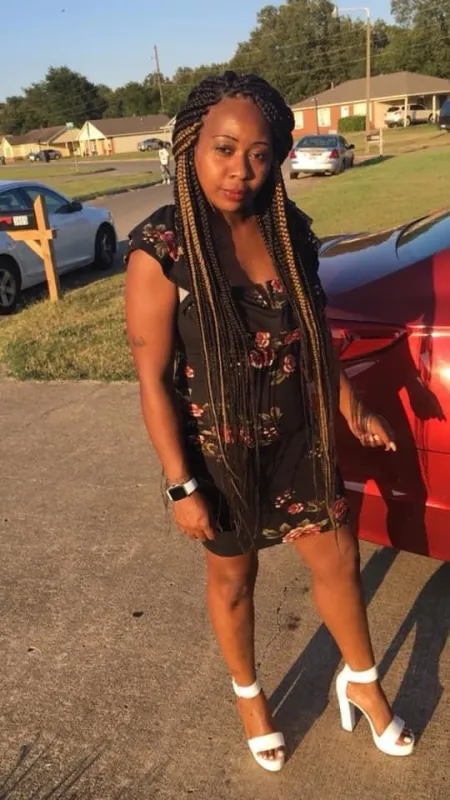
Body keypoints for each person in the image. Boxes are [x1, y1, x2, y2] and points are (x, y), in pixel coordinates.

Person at [125, 71, 414, 773]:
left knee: (339, 561)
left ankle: (363, 683)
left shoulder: (290, 231)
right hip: (216, 454)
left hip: (298, 437)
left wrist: (350, 404)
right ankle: (251, 698)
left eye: (259, 154)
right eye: (224, 149)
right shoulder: (162, 247)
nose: (241, 170)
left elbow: (312, 332)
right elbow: (152, 380)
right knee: (235, 581)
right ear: (191, 147)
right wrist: (180, 486)